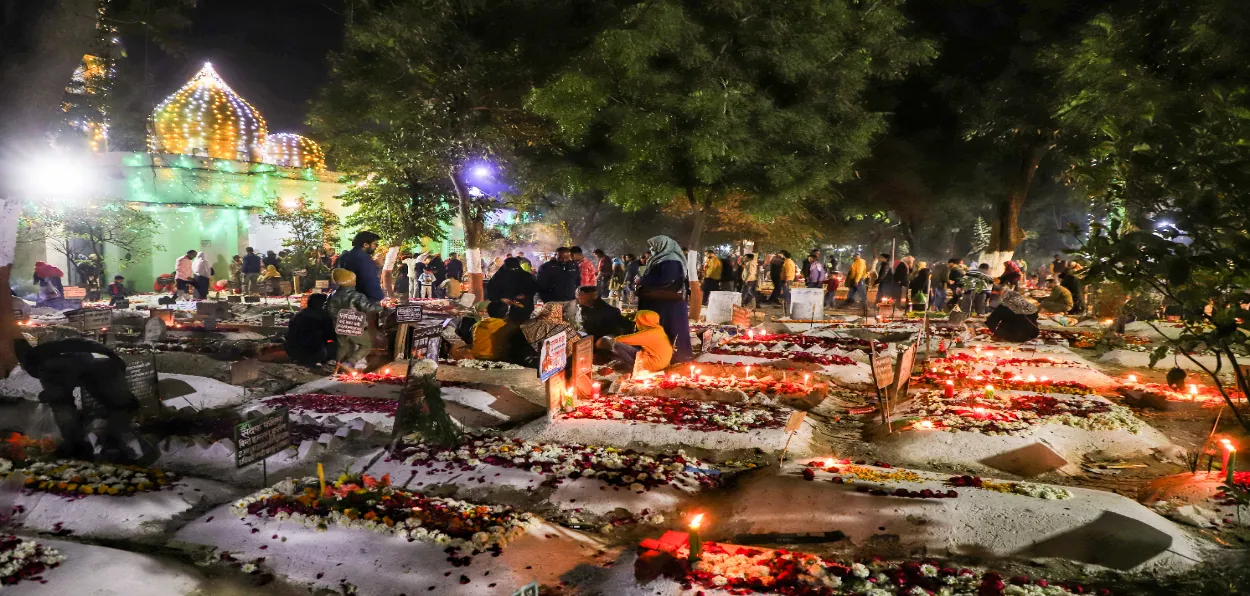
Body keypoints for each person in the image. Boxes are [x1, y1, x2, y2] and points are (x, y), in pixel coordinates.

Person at [15, 337, 142, 462]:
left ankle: (78, 449)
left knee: (62, 407)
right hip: (106, 361)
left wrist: (49, 395)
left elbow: (59, 395)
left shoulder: (34, 361)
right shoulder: (48, 348)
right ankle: (115, 445)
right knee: (120, 405)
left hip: (82, 364)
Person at [637, 235, 692, 362]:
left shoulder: (670, 260)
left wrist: (643, 280)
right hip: (663, 302)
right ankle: (662, 355)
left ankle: (671, 356)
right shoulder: (662, 258)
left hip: (667, 303)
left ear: (663, 245)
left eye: (654, 245)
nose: (651, 248)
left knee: (669, 327)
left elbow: (667, 279)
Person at [326, 268, 383, 371]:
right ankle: (350, 362)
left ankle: (338, 367)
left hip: (338, 324)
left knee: (343, 346)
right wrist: (381, 307)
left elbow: (327, 308)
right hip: (354, 324)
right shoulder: (356, 295)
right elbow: (368, 308)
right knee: (366, 344)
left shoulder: (332, 295)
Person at [597, 310, 672, 373]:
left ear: (643, 321)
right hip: (662, 362)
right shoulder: (658, 330)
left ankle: (634, 366)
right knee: (620, 352)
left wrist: (609, 338)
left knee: (616, 345)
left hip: (654, 364)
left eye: (637, 321)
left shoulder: (649, 334)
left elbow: (621, 340)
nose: (636, 323)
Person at [285, 293, 336, 367]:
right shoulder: (322, 316)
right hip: (313, 352)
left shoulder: (299, 315)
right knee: (340, 345)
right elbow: (331, 335)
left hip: (292, 351)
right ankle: (318, 360)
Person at [487, 257, 538, 322]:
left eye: (515, 269)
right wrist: (501, 299)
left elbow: (533, 289)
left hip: (522, 309)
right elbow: (491, 291)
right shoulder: (498, 277)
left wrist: (525, 295)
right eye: (510, 269)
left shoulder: (526, 276)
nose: (513, 271)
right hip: (502, 310)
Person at [337, 231, 384, 302]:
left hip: (345, 298)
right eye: (375, 244)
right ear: (365, 244)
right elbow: (370, 283)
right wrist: (379, 296)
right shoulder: (363, 259)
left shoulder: (345, 256)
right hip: (363, 302)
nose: (376, 247)